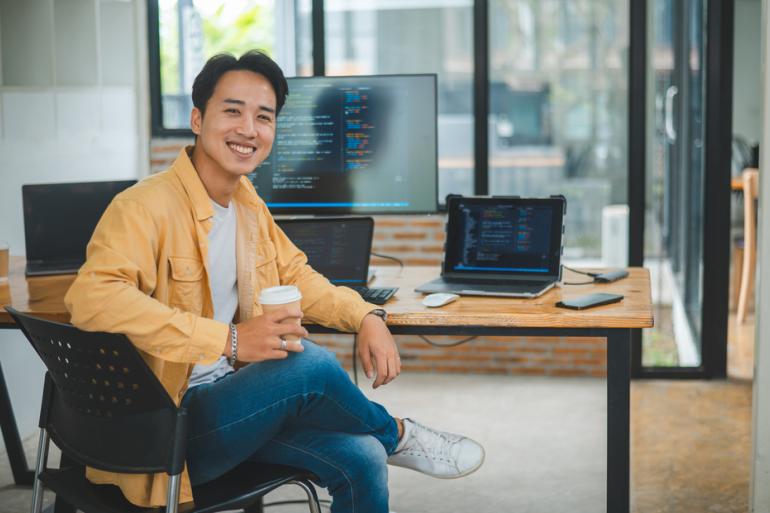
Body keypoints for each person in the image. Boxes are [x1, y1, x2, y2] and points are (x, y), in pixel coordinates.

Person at [64, 50, 484, 513]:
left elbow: (298, 275)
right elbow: (92, 299)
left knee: (363, 456)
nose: (248, 128)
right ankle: (399, 434)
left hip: (231, 409)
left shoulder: (247, 205)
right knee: (305, 364)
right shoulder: (143, 206)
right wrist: (228, 338)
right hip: (165, 430)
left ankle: (384, 441)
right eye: (232, 111)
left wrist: (366, 314)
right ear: (197, 119)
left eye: (263, 117)